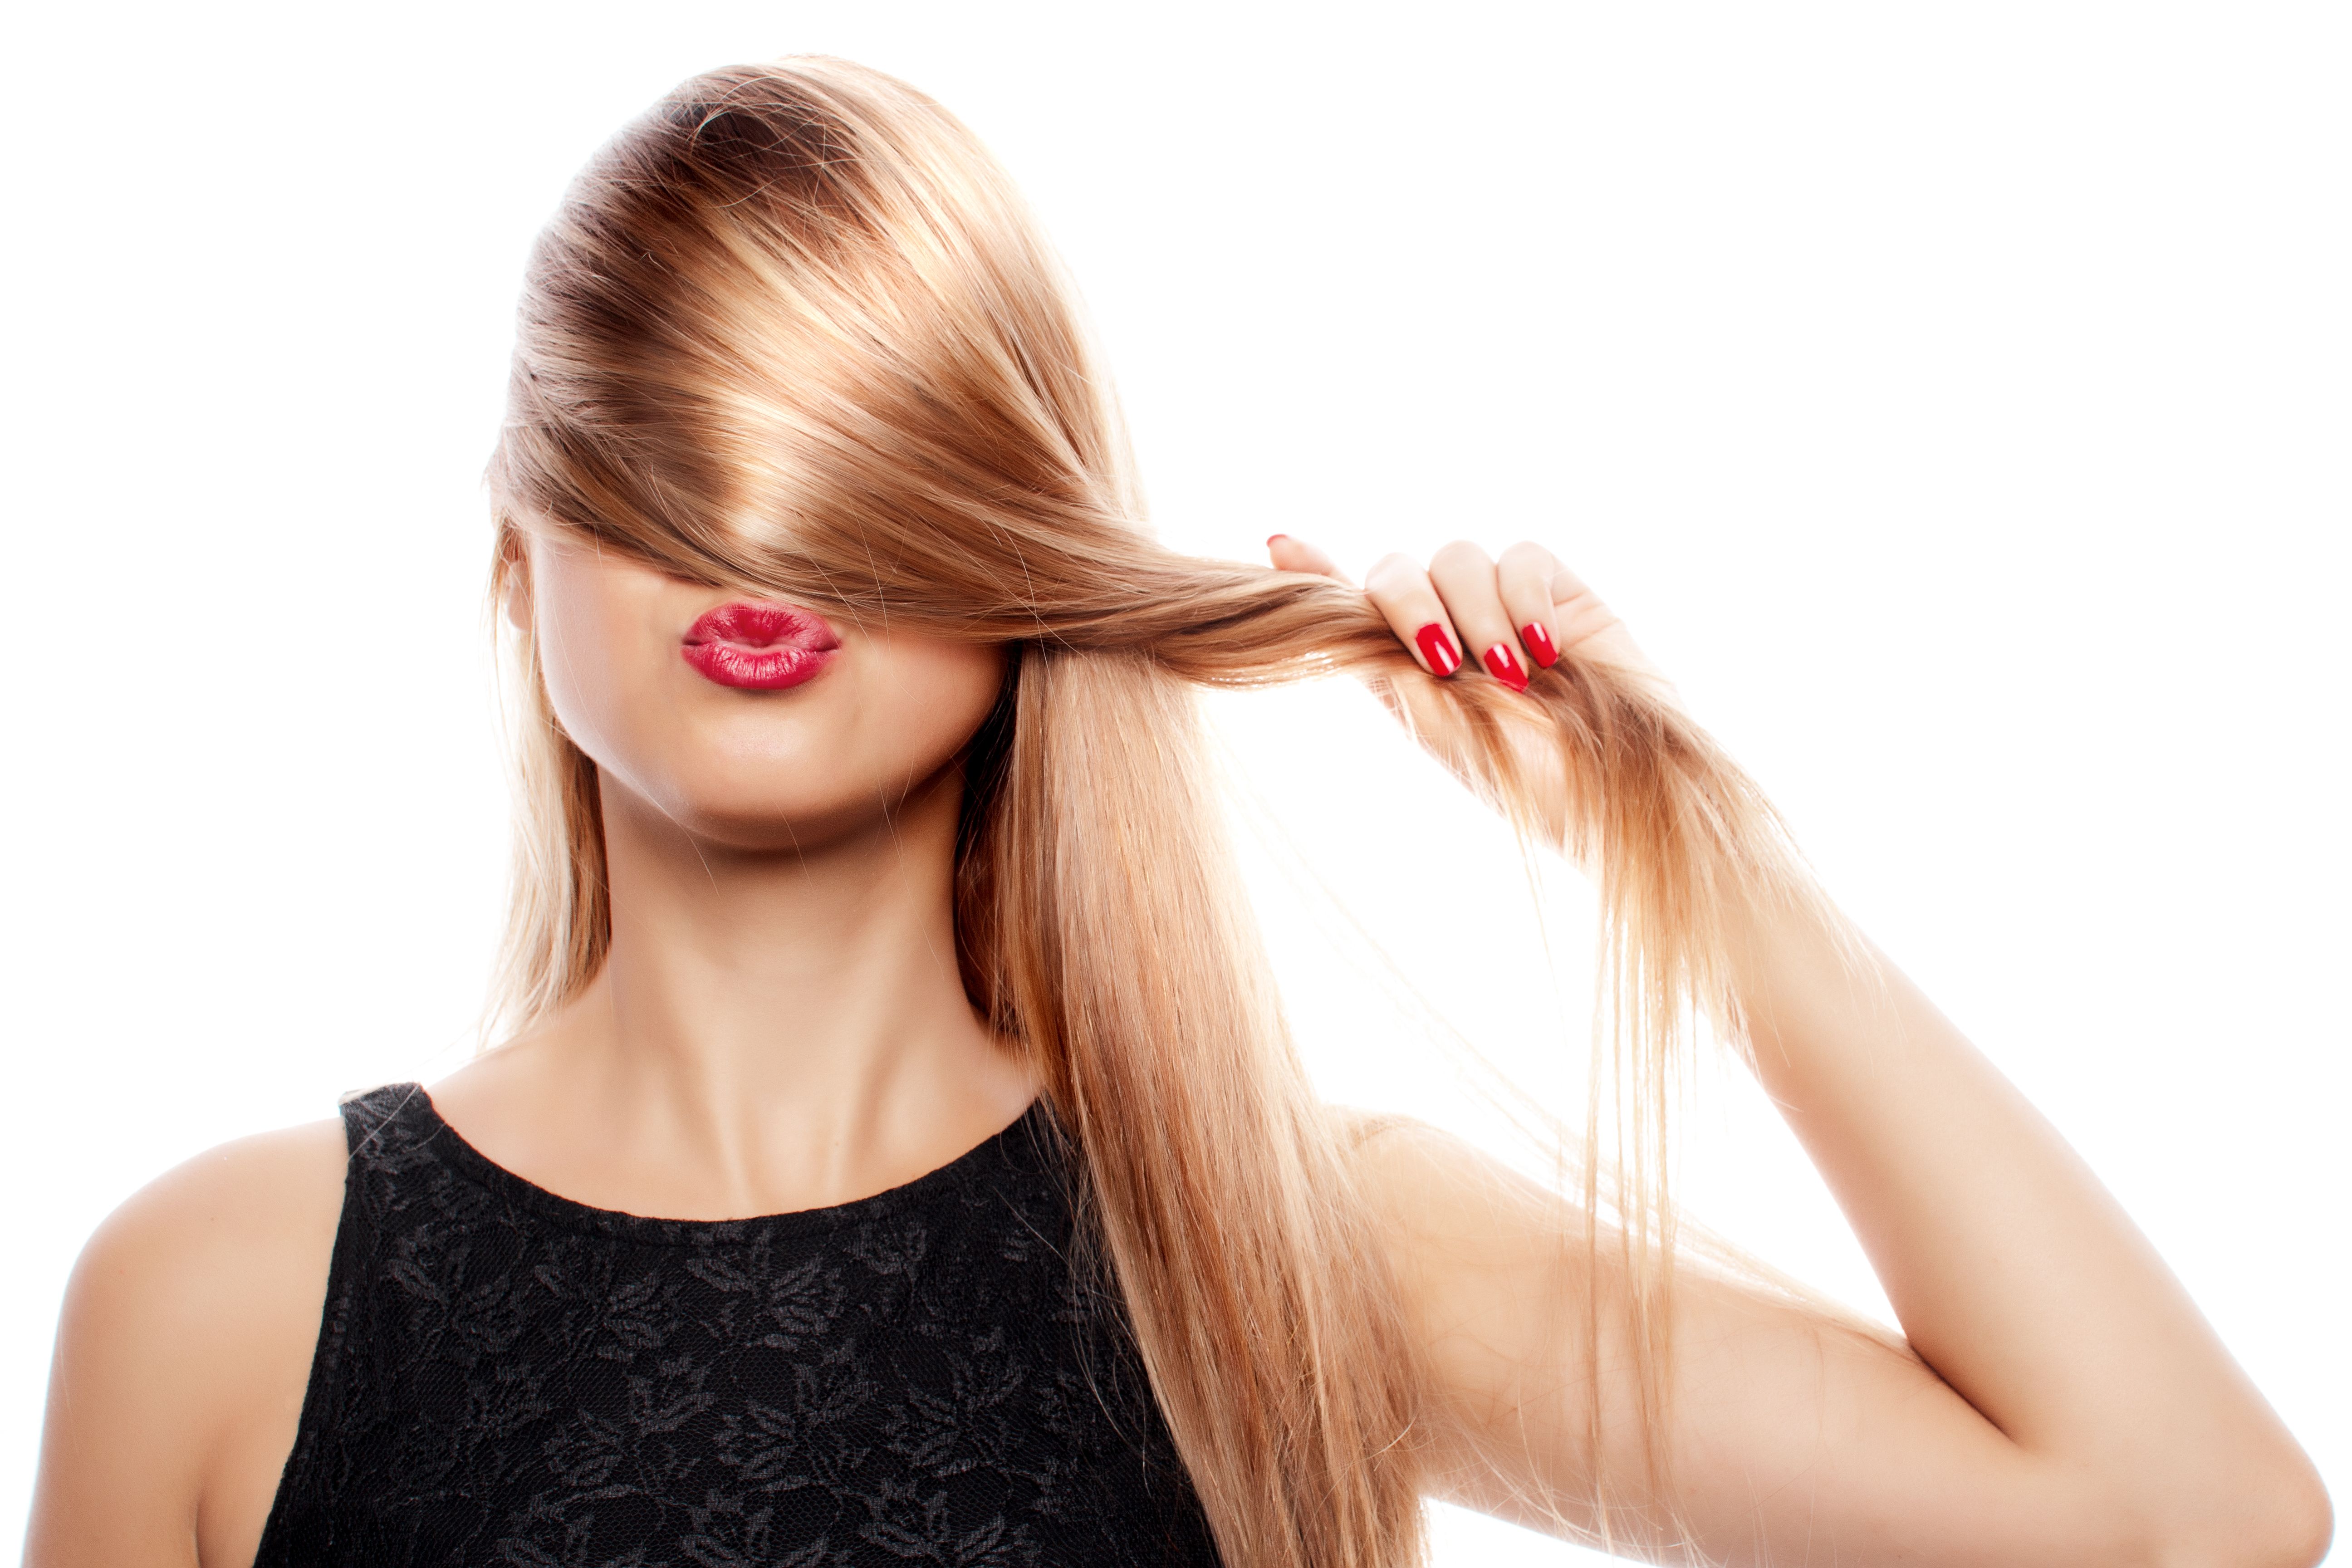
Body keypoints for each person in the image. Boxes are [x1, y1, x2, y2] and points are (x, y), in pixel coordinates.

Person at [24, 56, 2330, 1568]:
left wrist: (1680, 857)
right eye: (660, 460)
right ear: (515, 561)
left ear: (1022, 548)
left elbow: (2189, 1524)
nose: (755, 548)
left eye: (868, 464)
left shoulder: (1286, 1251)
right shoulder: (216, 1301)